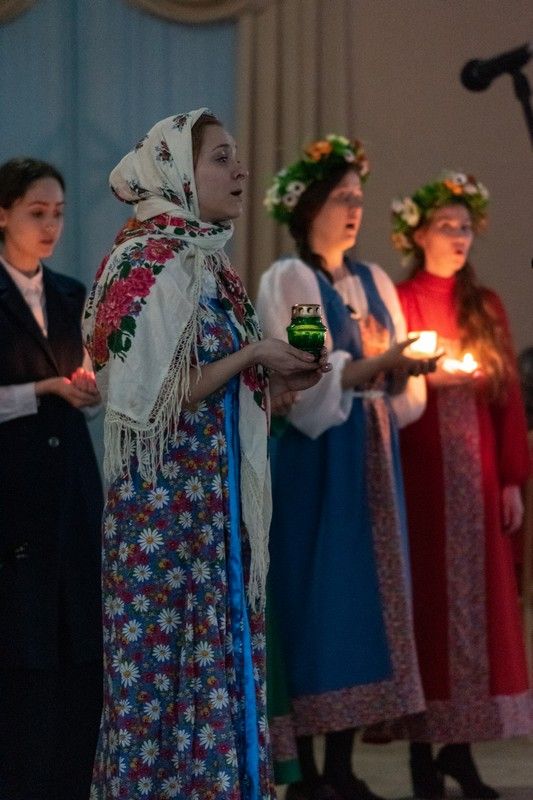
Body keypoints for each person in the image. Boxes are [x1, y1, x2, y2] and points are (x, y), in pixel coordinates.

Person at [82, 108, 327, 800]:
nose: (239, 170)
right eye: (221, 157)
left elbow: (212, 386)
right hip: (162, 519)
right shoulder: (146, 262)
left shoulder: (207, 262)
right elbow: (154, 395)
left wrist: (275, 381)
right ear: (177, 173)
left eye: (235, 156)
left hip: (211, 512)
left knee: (212, 677)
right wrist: (253, 354)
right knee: (161, 692)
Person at [256, 135, 438, 800]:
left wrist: (401, 372)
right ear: (308, 206)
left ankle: (342, 763)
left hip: (370, 453)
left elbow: (398, 387)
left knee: (366, 602)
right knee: (315, 597)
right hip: (316, 460)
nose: (354, 209)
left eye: (359, 197)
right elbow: (308, 374)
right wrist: (383, 363)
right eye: (340, 197)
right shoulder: (295, 281)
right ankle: (305, 770)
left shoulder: (374, 281)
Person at [390, 171, 533, 799]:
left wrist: (511, 479)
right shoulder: (399, 299)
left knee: (476, 612)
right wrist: (423, 378)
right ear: (418, 235)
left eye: (466, 227)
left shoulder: (486, 305)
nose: (458, 236)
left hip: (475, 479)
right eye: (446, 225)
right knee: (425, 606)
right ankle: (423, 750)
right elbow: (386, 378)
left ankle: (461, 749)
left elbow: (507, 397)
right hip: (420, 475)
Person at [0, 157, 103, 800]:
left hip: (71, 483)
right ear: (2, 214)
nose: (50, 227)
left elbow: (86, 374)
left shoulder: (70, 293)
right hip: (14, 488)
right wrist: (41, 389)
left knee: (78, 640)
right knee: (23, 649)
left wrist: (87, 389)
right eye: (37, 213)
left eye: (59, 214)